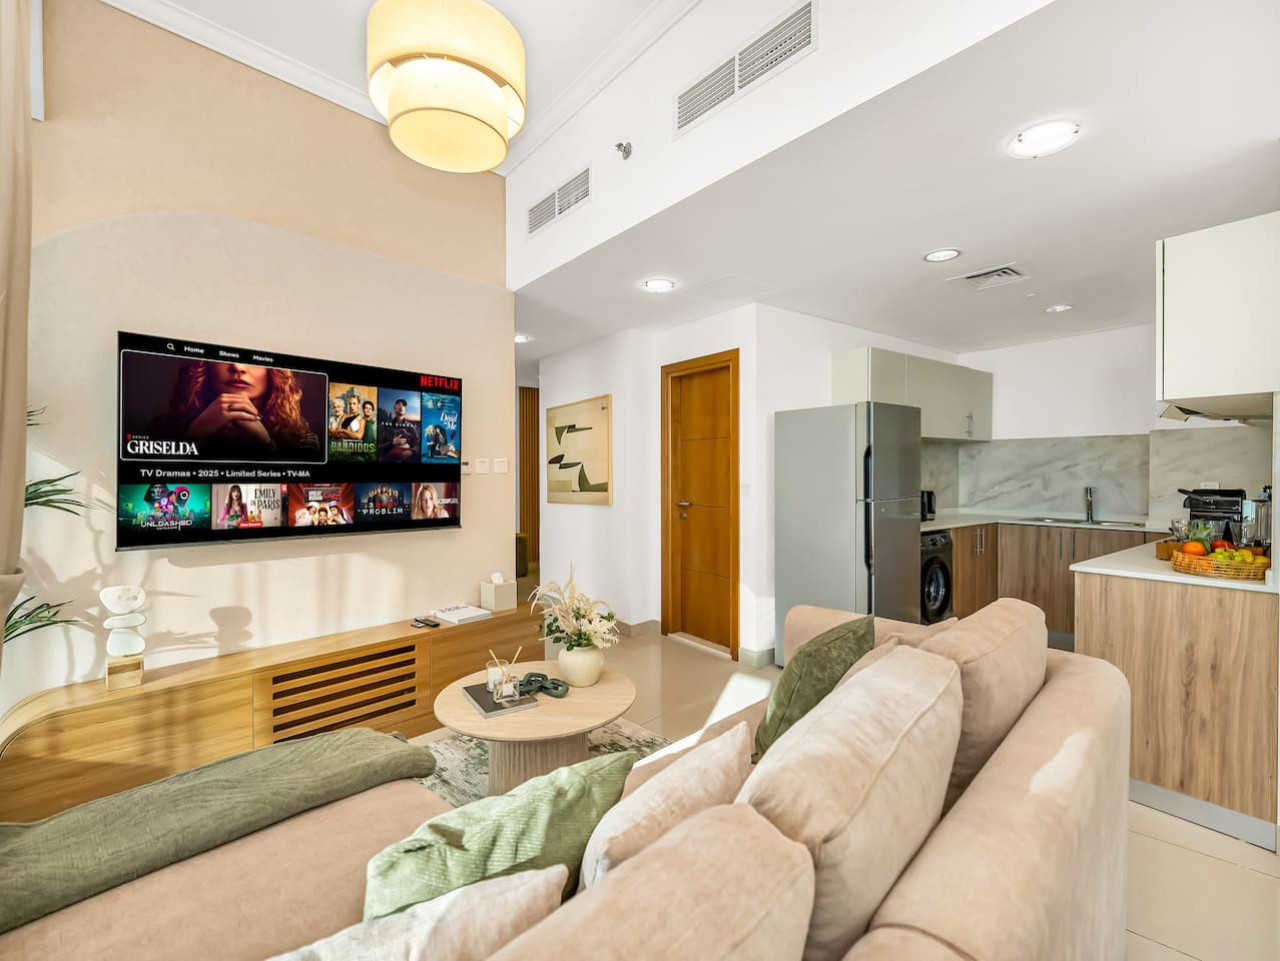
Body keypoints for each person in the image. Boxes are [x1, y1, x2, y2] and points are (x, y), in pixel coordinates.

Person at [154, 361, 320, 461]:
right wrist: (193, 439)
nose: (238, 367)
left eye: (253, 359)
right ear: (205, 367)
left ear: (273, 372)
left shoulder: (301, 441)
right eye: (224, 358)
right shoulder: (164, 430)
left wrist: (267, 448)